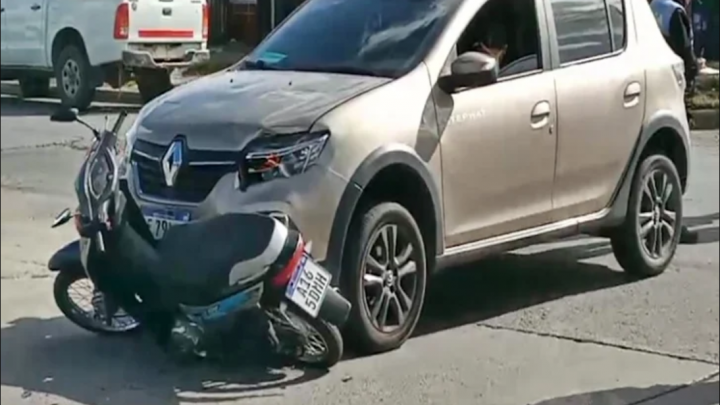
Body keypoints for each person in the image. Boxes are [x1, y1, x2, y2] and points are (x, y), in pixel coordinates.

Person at [650, 0, 699, 244]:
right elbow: (686, 56)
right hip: (673, 91)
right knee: (674, 161)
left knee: (654, 158)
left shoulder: (651, 7)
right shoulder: (674, 13)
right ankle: (673, 222)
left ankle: (653, 215)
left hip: (652, 89)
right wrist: (694, 69)